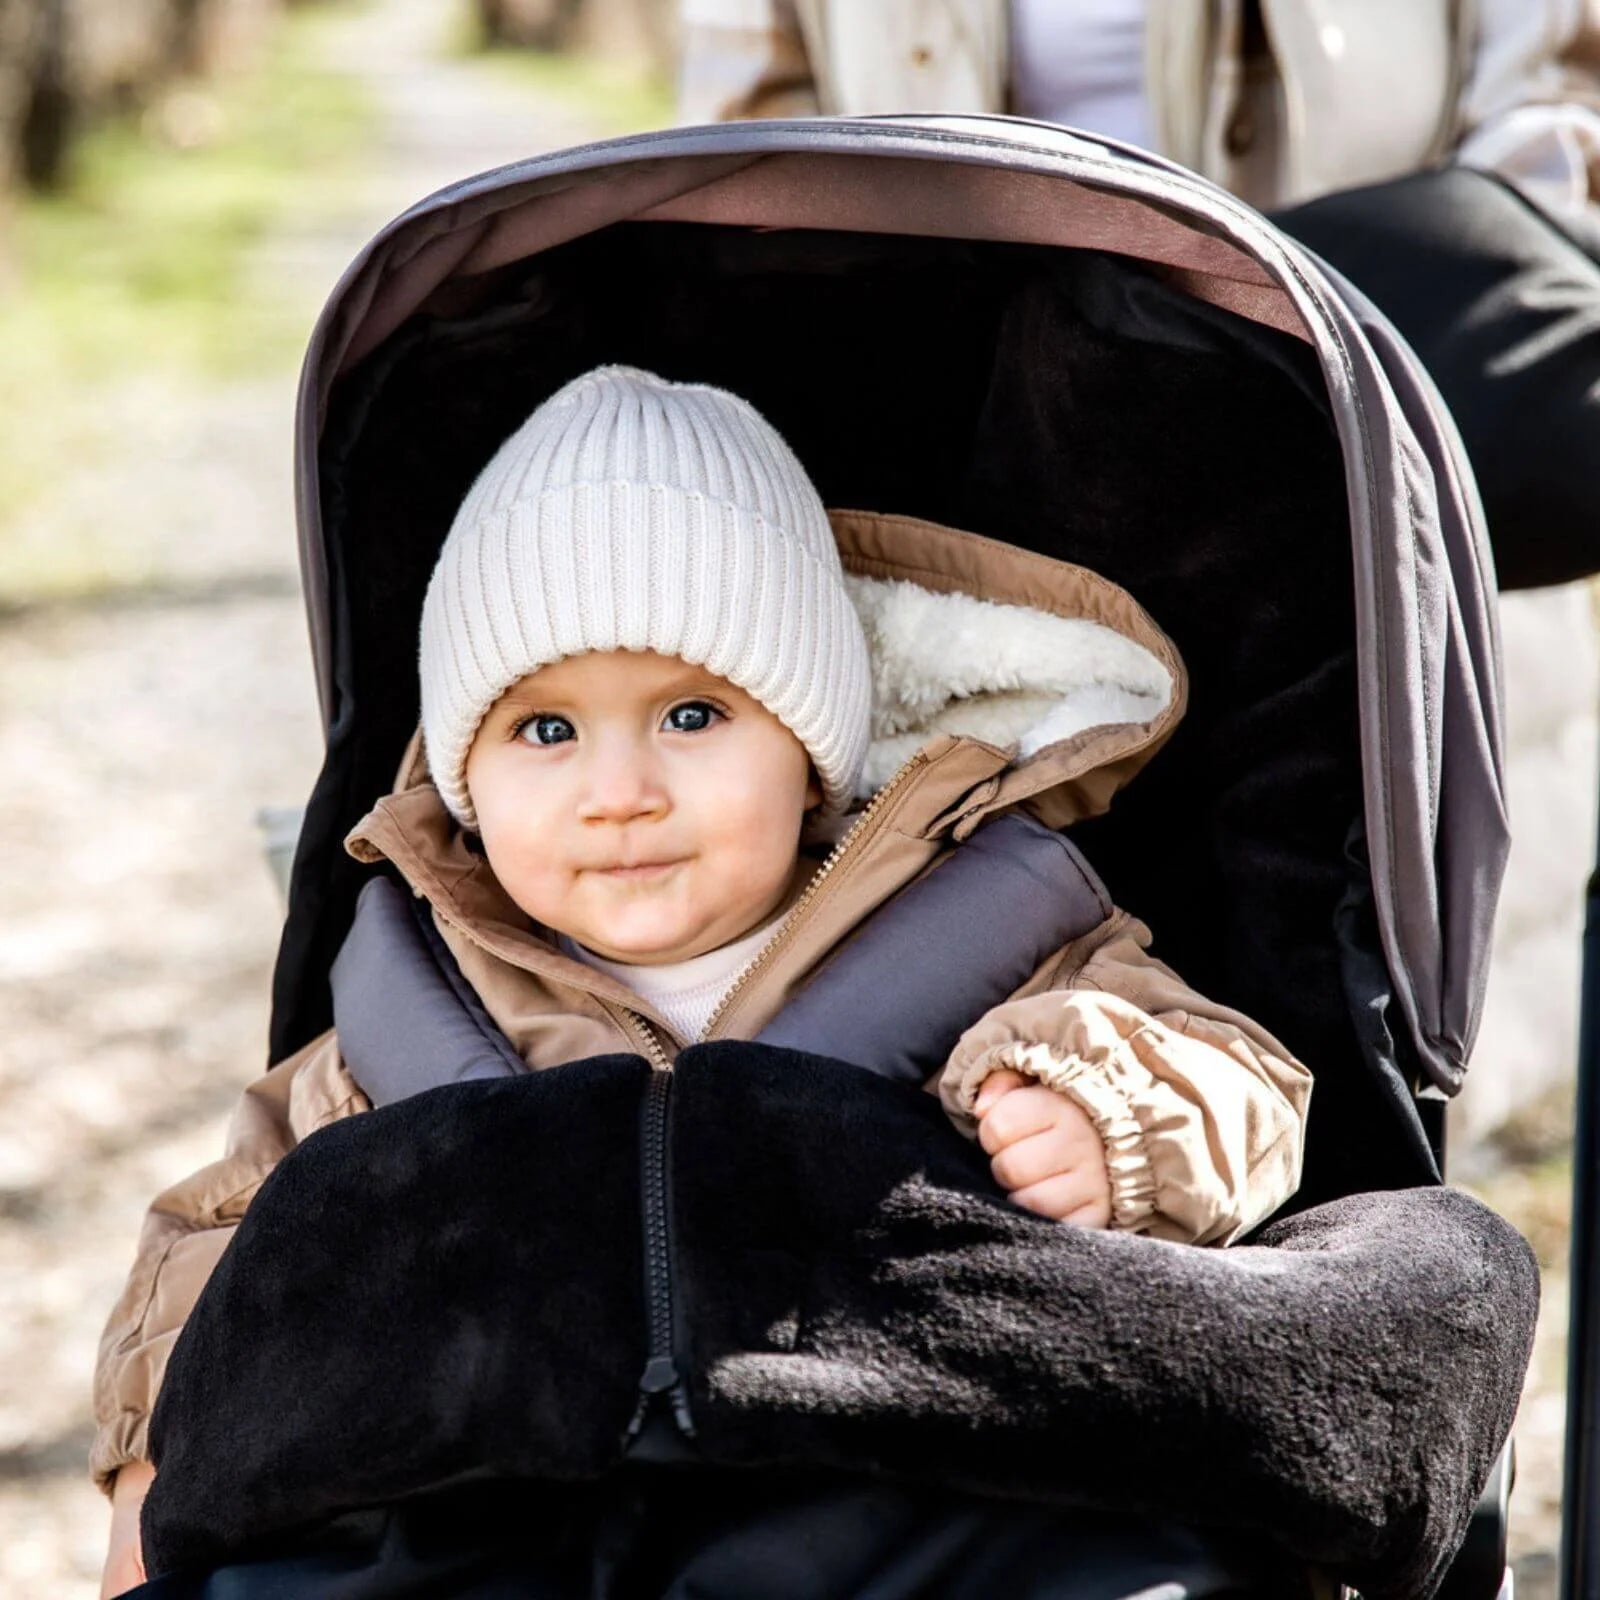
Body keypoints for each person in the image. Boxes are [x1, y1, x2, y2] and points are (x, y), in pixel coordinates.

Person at [94, 365, 1311, 1596]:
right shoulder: (404, 1019)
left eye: (690, 716)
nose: (620, 791)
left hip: (895, 1487)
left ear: (813, 752)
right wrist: (155, 1474)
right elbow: (223, 1246)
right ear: (465, 786)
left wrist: (1109, 1120)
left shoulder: (990, 934)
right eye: (546, 731)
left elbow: (1237, 1074)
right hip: (518, 1518)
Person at [677, 0, 1600, 591]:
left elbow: (1555, 115)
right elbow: (747, 158)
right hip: (993, 489)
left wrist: (1264, 353)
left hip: (1390, 485)